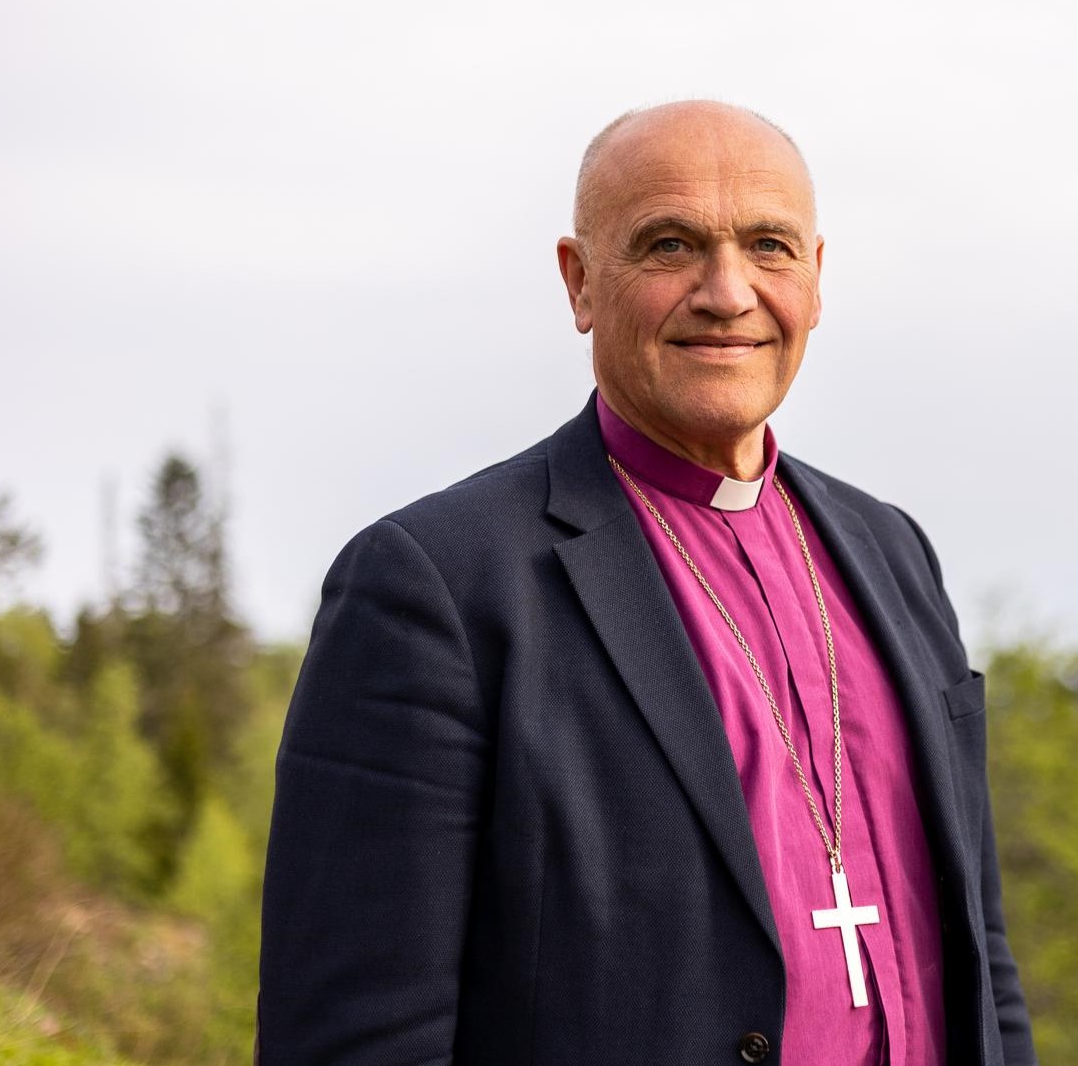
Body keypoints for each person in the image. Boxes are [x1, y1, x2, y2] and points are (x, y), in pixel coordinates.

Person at [257, 100, 1037, 1066]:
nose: (728, 291)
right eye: (671, 245)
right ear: (581, 283)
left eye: (769, 246)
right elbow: (358, 1037)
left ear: (819, 280)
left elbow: (978, 946)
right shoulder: (438, 588)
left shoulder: (893, 551)